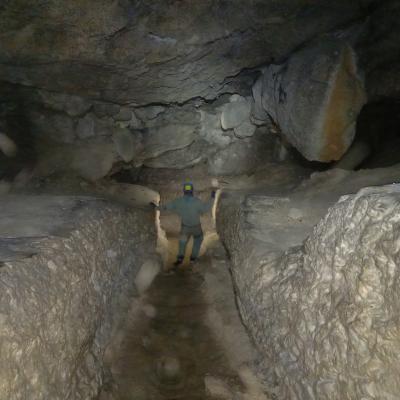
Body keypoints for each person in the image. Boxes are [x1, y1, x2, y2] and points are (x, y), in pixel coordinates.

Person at [153, 182, 216, 267]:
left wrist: (155, 207)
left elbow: (165, 207)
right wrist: (212, 197)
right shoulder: (196, 201)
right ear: (192, 191)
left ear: (184, 191)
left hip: (185, 228)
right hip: (196, 227)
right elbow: (206, 208)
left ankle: (180, 258)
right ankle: (193, 258)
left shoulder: (178, 201)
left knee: (182, 242)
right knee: (198, 240)